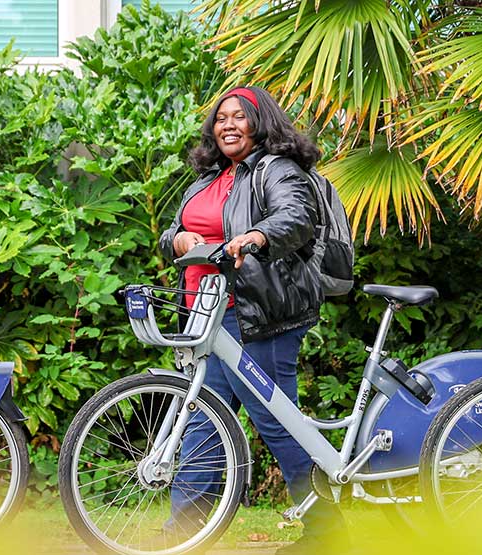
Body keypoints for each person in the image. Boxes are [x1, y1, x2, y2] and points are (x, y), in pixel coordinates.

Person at [159, 86, 340, 554]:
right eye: (221, 118)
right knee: (202, 421)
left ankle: (328, 530)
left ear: (260, 123)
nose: (229, 125)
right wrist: (177, 241)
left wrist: (257, 234)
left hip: (261, 316)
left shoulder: (276, 170)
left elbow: (296, 217)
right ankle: (184, 535)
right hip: (209, 316)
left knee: (277, 421)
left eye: (240, 116)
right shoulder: (209, 178)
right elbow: (172, 233)